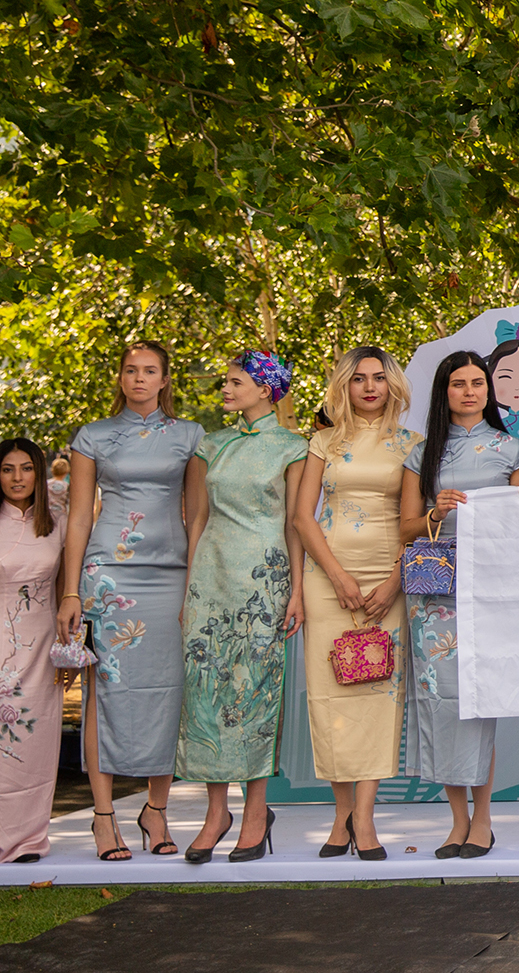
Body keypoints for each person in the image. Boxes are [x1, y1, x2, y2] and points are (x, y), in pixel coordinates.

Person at [59, 341, 202, 860]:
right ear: (120, 378)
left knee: (168, 691)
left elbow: (197, 515)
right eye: (130, 370)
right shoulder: (92, 436)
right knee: (106, 694)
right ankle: (103, 817)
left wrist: (195, 584)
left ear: (165, 379)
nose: (139, 378)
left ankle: (155, 810)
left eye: (149, 370)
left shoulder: (191, 436)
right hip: (109, 578)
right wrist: (70, 590)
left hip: (172, 575)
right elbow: (79, 516)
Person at [171, 353, 307, 864]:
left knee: (253, 693)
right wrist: (190, 588)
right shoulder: (211, 444)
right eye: (226, 382)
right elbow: (197, 520)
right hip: (210, 581)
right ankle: (215, 814)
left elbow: (295, 523)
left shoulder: (294, 447)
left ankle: (254, 812)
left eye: (235, 382)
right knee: (205, 695)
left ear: (266, 389)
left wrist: (296, 590)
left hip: (263, 584)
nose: (225, 389)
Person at [399, 351, 519, 859]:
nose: (470, 391)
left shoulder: (511, 448)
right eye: (459, 383)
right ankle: (457, 821)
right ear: (444, 391)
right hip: (435, 593)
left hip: (491, 588)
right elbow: (406, 527)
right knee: (444, 704)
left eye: (478, 383)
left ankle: (484, 819)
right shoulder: (422, 453)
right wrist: (436, 512)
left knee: (480, 702)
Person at [291, 345, 419, 861]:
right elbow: (302, 517)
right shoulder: (322, 441)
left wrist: (394, 582)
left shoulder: (412, 444)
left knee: (378, 696)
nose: (370, 387)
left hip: (387, 581)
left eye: (379, 378)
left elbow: (416, 522)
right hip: (328, 578)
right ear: (344, 386)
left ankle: (364, 818)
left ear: (393, 385)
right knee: (331, 694)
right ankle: (340, 815)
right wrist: (338, 576)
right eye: (359, 378)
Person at [0, 438, 65, 863]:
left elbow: (67, 590)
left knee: (33, 743)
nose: (17, 477)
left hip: (42, 647)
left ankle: (26, 838)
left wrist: (69, 646)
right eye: (7, 469)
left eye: (26, 468)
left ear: (39, 474)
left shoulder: (58, 523)